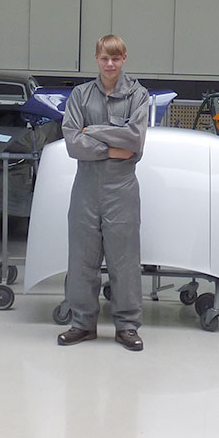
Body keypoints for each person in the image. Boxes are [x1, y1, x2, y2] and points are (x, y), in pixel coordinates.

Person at [58, 34, 149, 351]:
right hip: (86, 187)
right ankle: (82, 324)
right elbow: (72, 142)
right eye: (105, 58)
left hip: (121, 189)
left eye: (116, 58)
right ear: (96, 58)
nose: (110, 64)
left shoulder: (138, 96)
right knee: (81, 258)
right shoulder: (80, 96)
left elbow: (134, 140)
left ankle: (127, 326)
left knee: (125, 260)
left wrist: (93, 131)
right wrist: (112, 147)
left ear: (124, 59)